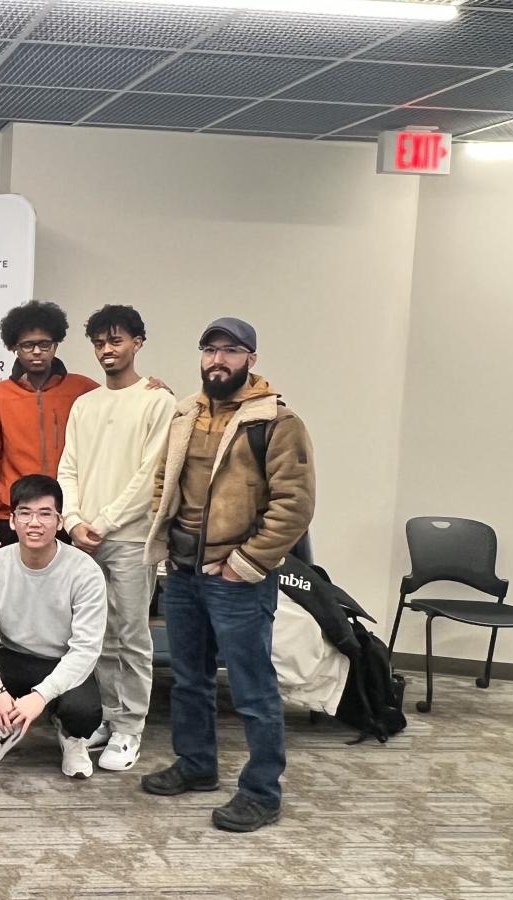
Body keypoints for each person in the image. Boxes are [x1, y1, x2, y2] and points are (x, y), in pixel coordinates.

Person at [141, 316, 316, 833]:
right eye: (210, 350)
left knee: (252, 690)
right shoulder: (185, 413)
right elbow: (163, 481)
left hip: (237, 578)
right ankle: (196, 765)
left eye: (231, 350)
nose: (218, 360)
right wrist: (166, 540)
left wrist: (246, 563)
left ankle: (262, 792)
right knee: (189, 680)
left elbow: (294, 505)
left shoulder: (277, 423)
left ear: (250, 359)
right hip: (184, 571)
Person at [56, 304, 175, 772]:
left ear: (138, 343)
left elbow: (151, 476)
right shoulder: (85, 404)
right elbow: (68, 467)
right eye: (99, 342)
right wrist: (72, 521)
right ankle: (107, 715)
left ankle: (131, 727)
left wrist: (102, 523)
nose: (107, 349)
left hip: (129, 538)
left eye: (117, 340)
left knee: (132, 636)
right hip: (84, 537)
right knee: (97, 636)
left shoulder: (157, 401)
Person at [0, 475, 107, 778]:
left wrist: (41, 696)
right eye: (25, 513)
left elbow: (86, 649)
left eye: (45, 514)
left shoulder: (85, 571)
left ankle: (71, 738)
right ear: (12, 520)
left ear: (59, 521)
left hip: (62, 660)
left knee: (83, 713)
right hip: (14, 656)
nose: (34, 523)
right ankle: (1, 727)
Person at [0, 300, 96, 552]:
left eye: (44, 344)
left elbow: (122, 399)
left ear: (55, 345)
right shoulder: (0, 395)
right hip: (13, 514)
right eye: (27, 345)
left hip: (67, 515)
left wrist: (153, 389)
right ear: (14, 348)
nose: (37, 351)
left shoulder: (83, 389)